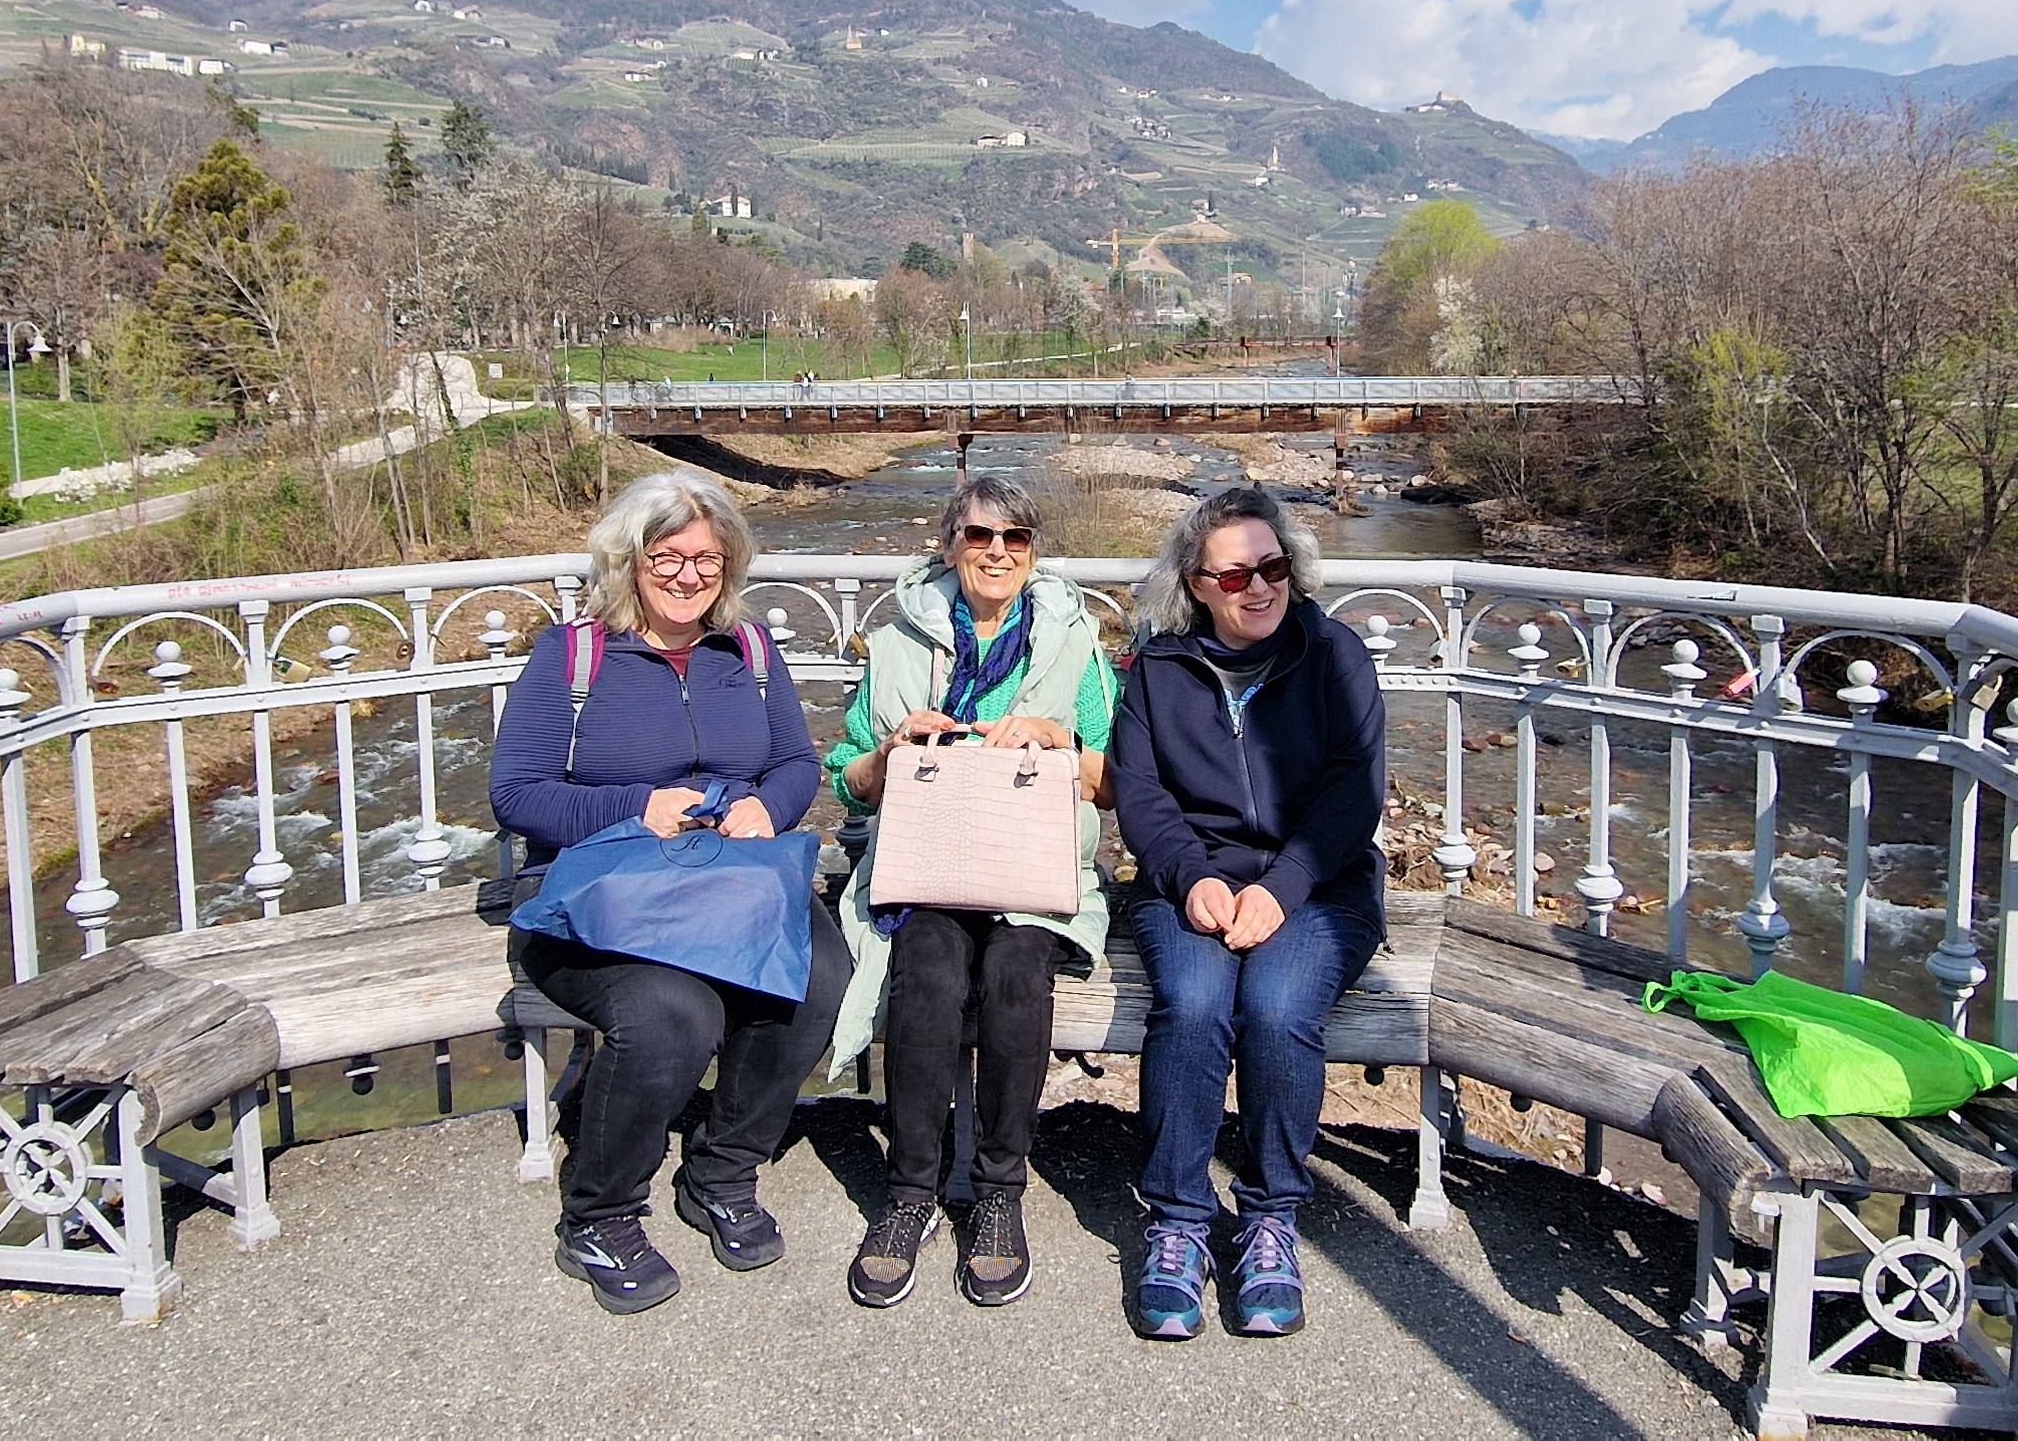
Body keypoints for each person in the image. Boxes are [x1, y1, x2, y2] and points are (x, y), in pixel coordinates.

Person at [489, 469, 851, 1315]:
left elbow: (794, 763)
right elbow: (516, 793)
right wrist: (635, 808)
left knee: (818, 976)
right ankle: (599, 1213)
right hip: (601, 892)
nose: (690, 576)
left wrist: (768, 807)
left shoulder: (747, 652)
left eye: (708, 560)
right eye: (669, 558)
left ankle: (722, 1170)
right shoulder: (572, 656)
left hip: (726, 876)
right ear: (630, 560)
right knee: (670, 1013)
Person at [816, 474, 1116, 1310]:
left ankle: (998, 1193)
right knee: (927, 972)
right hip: (928, 867)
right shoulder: (896, 643)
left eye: (1015, 538)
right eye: (979, 535)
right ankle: (910, 1192)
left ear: (1034, 553)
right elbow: (846, 782)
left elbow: (1112, 782)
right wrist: (892, 751)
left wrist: (1059, 739)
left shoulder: (1074, 642)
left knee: (1018, 973)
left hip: (1032, 869)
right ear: (950, 545)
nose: (997, 552)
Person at [1108, 485, 1385, 1340]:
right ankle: (1178, 1221)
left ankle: (1269, 1217)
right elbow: (1142, 794)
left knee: (1276, 1004)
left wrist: (1283, 886)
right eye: (1234, 577)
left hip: (1319, 884)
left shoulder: (1334, 655)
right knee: (1192, 1004)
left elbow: (1355, 790)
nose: (1258, 588)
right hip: (1191, 880)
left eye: (1273, 567)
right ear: (1196, 585)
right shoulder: (1158, 669)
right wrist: (1189, 875)